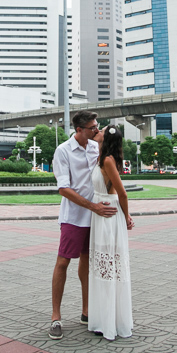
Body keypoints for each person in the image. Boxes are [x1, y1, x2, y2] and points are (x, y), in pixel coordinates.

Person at [49, 110, 117, 340]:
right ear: (79, 130)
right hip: (74, 216)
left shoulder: (94, 146)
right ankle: (55, 316)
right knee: (63, 262)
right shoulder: (63, 151)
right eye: (92, 127)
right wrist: (92, 207)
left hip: (95, 217)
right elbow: (64, 188)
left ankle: (86, 311)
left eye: (97, 126)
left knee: (88, 262)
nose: (97, 130)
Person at [87, 125, 134, 340]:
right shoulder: (101, 157)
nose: (97, 130)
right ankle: (103, 319)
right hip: (101, 212)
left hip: (108, 214)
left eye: (101, 130)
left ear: (105, 138)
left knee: (107, 265)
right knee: (103, 265)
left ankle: (111, 322)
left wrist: (126, 217)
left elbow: (122, 193)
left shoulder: (107, 160)